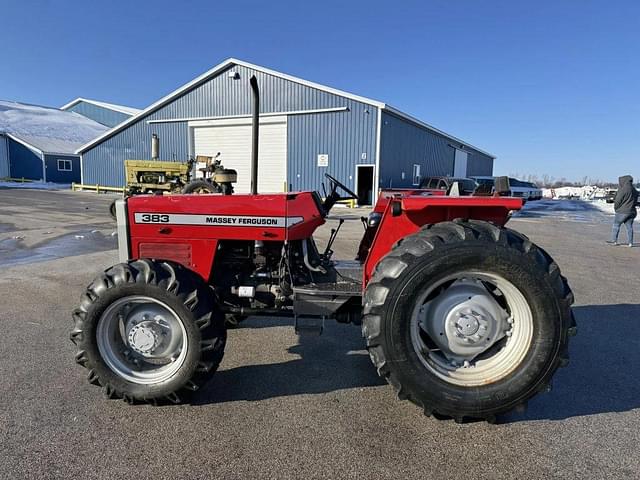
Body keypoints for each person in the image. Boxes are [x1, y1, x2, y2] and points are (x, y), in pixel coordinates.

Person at [607, 175, 638, 247]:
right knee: (629, 227)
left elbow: (618, 200)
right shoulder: (634, 190)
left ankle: (614, 241)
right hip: (632, 211)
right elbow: (636, 201)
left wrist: (616, 208)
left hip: (622, 211)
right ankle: (630, 242)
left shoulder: (623, 190)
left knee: (616, 225)